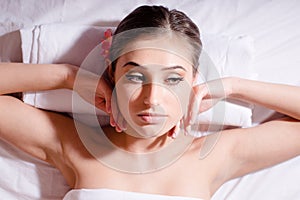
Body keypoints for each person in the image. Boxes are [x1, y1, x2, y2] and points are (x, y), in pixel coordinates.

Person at [0, 5, 300, 200]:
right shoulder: (73, 144)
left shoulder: (216, 156)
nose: (152, 99)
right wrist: (67, 76)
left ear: (193, 82)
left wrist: (234, 86)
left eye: (173, 79)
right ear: (111, 76)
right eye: (135, 77)